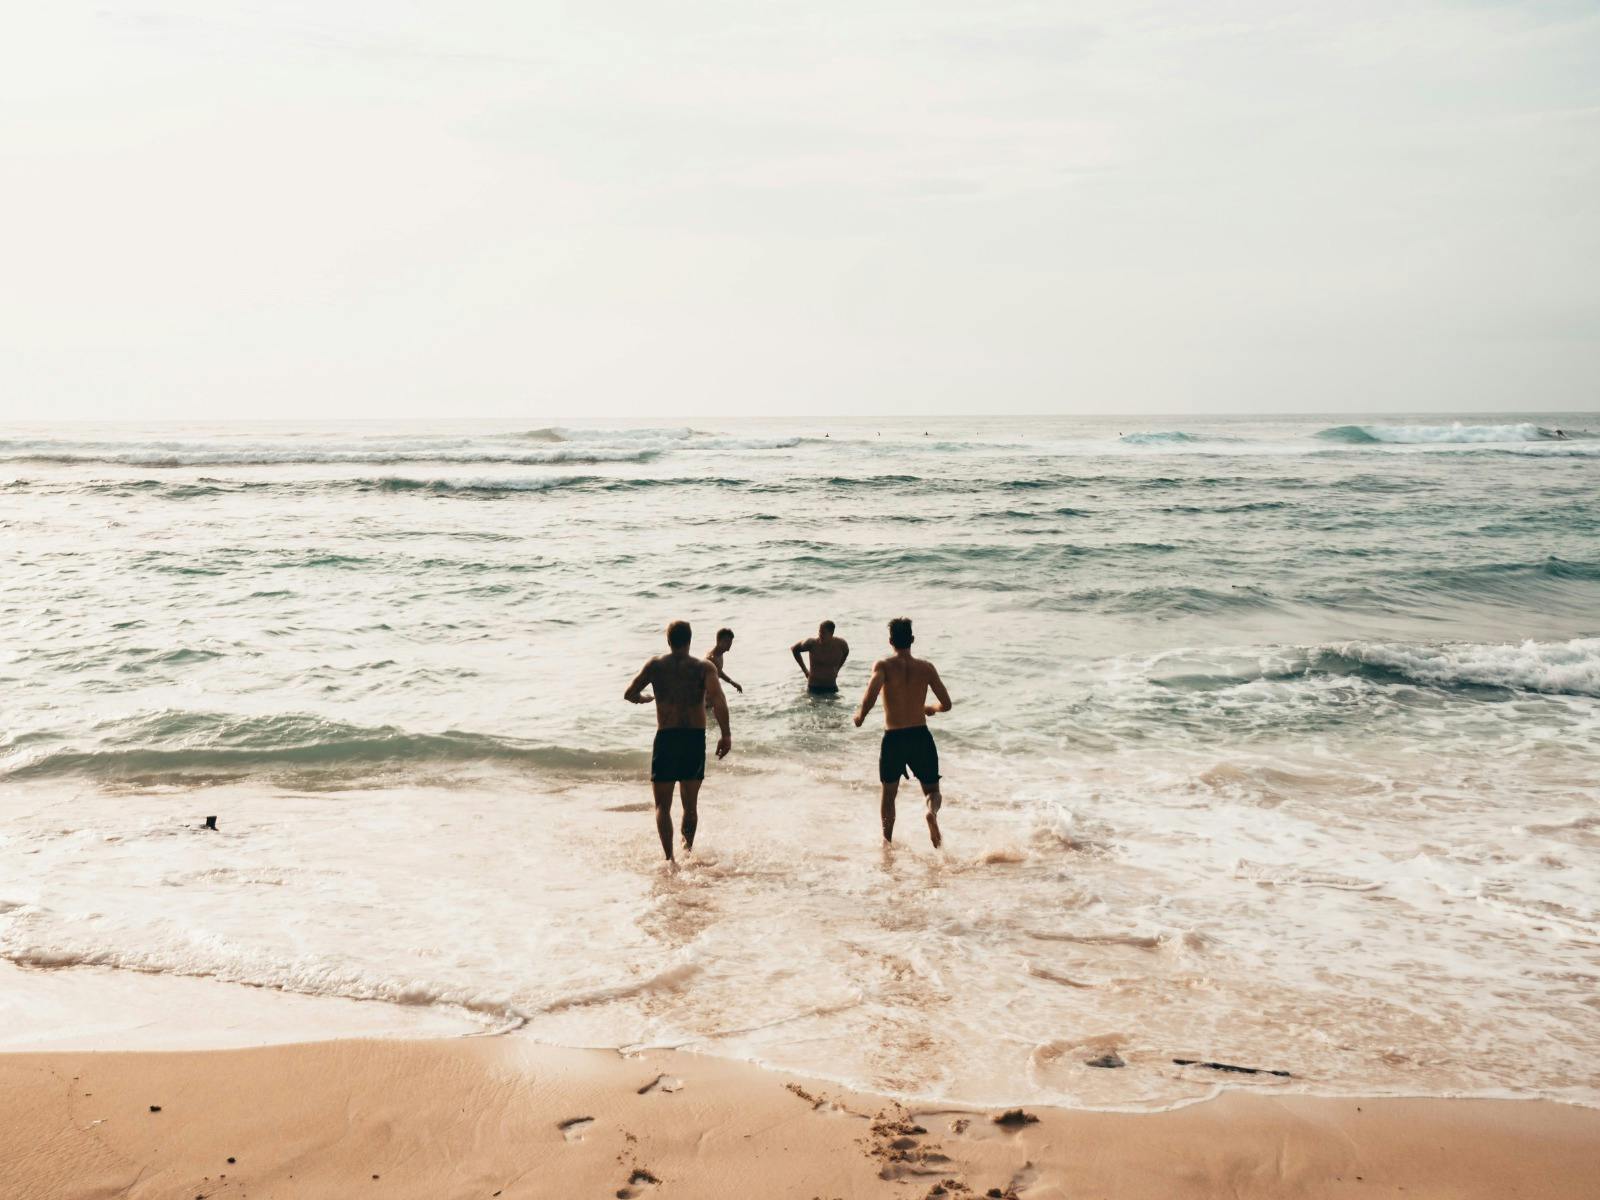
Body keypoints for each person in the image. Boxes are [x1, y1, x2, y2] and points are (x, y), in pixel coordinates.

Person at [624, 621, 731, 863]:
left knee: (662, 806)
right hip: (694, 739)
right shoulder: (704, 667)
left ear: (668, 641)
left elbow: (629, 693)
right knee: (690, 806)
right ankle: (688, 853)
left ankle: (669, 859)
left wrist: (644, 699)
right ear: (690, 640)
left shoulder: (655, 665)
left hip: (667, 738)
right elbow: (718, 700)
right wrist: (726, 735)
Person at [853, 617, 952, 847]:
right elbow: (946, 704)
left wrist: (860, 716)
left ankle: (887, 843)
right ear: (912, 639)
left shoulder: (883, 666)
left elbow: (871, 694)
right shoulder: (926, 668)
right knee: (932, 791)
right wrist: (931, 708)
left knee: (889, 795)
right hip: (920, 736)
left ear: (891, 641)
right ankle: (931, 812)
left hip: (894, 738)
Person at [791, 620, 850, 693]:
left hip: (831, 686)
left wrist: (838, 669)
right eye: (819, 632)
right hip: (814, 687)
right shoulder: (811, 643)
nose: (820, 635)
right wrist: (805, 671)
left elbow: (846, 652)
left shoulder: (841, 644)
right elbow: (794, 649)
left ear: (831, 633)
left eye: (823, 633)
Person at [707, 627, 743, 696]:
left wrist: (732, 682)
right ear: (718, 641)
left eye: (730, 641)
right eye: (726, 641)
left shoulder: (720, 654)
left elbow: (719, 671)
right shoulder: (711, 658)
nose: (729, 644)